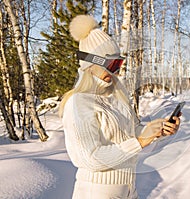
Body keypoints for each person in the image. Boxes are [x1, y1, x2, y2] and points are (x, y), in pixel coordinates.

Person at [59, 15, 181, 199]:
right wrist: (140, 143)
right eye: (111, 64)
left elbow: (131, 134)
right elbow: (89, 157)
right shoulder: (79, 102)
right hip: (97, 192)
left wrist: (156, 131)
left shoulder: (115, 97)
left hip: (128, 189)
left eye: (118, 64)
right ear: (91, 64)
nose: (114, 71)